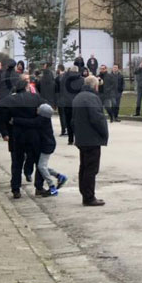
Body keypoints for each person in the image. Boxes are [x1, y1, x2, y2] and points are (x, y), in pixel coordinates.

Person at [2, 78, 46, 198]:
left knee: (17, 163)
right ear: (27, 87)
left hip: (17, 134)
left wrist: (7, 130)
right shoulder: (36, 98)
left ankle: (16, 189)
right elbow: (45, 110)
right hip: (33, 134)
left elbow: (4, 118)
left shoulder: (10, 100)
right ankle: (39, 187)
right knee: (38, 161)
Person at [73, 75, 109, 206]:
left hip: (82, 138)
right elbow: (97, 118)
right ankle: (89, 196)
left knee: (84, 166)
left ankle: (85, 193)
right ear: (95, 85)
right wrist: (104, 133)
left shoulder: (78, 97)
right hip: (91, 138)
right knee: (91, 169)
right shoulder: (92, 98)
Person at [33, 103, 68, 197]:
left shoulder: (41, 121)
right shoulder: (45, 120)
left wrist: (16, 121)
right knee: (42, 166)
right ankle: (59, 176)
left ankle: (52, 186)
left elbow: (31, 123)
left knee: (41, 166)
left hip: (46, 146)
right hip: (48, 145)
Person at [60, 66, 84, 145]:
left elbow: (61, 84)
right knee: (78, 121)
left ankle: (70, 139)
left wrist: (67, 72)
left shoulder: (64, 79)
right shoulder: (81, 79)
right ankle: (78, 138)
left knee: (68, 121)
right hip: (78, 103)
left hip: (67, 103)